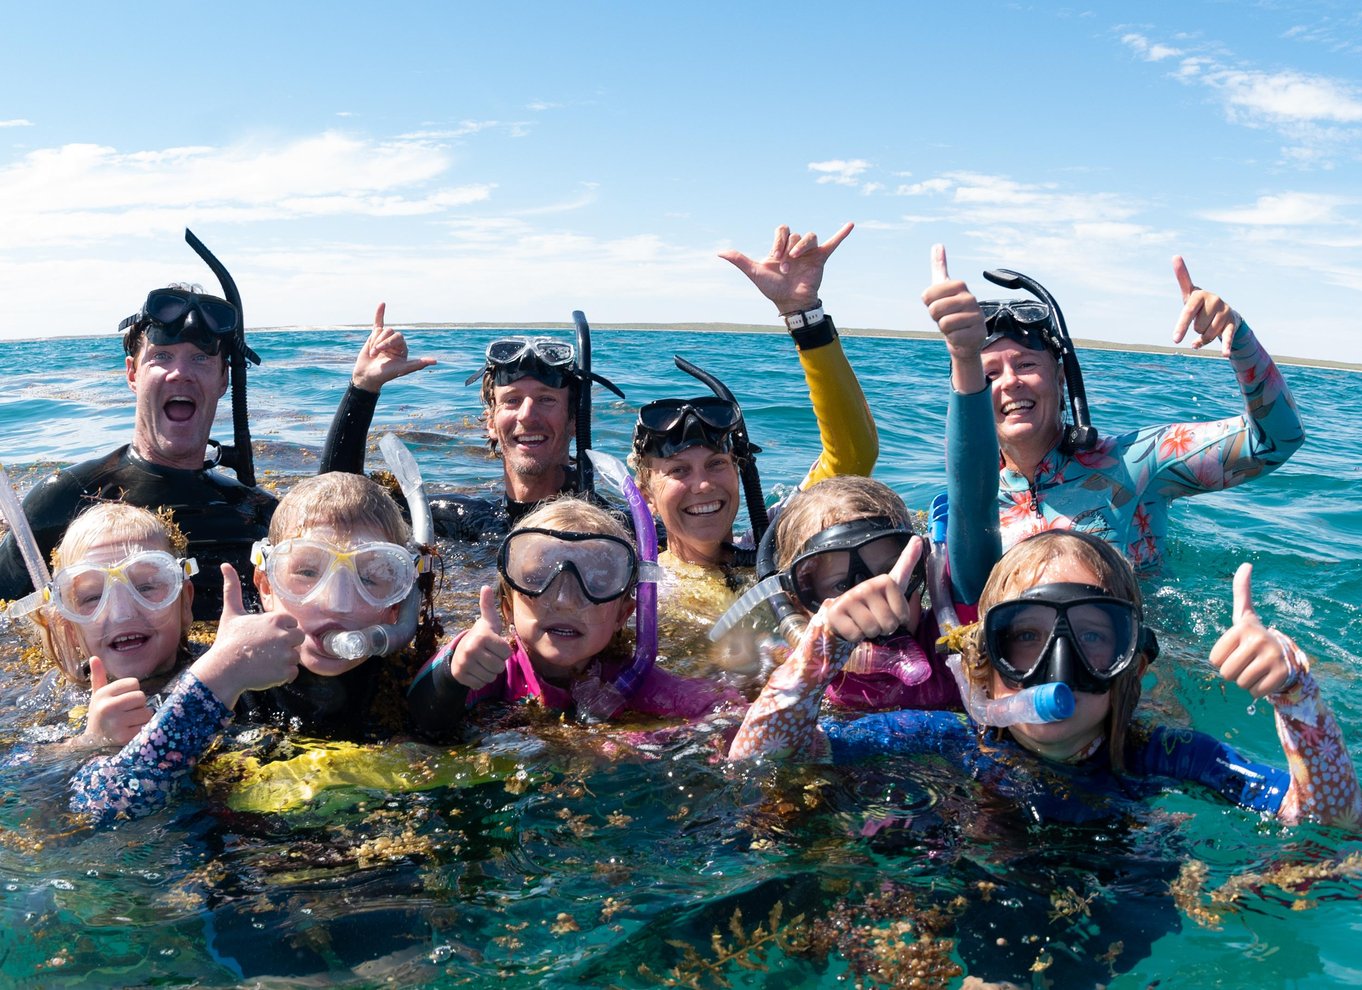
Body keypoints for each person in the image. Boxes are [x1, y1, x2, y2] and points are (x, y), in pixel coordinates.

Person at [921, 246, 1305, 572]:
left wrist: (1238, 336)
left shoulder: (1135, 464)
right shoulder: (973, 503)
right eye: (988, 374)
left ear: (1059, 380)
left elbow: (1275, 441)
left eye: (1026, 365)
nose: (1009, 382)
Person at [630, 224, 879, 669]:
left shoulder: (775, 547)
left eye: (717, 463)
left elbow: (852, 456)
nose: (703, 484)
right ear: (645, 492)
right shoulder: (638, 585)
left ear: (741, 470)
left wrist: (803, 312)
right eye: (678, 471)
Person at [0, 237, 276, 618]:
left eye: (200, 358)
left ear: (223, 379)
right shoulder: (66, 499)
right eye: (162, 357)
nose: (180, 372)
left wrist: (362, 389)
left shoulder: (256, 511)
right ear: (132, 374)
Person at [4, 502, 302, 824]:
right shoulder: (59, 693)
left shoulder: (233, 672)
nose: (122, 613)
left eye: (147, 587)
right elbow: (24, 782)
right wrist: (87, 743)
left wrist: (226, 670)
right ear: (69, 626)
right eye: (92, 598)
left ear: (185, 602)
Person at [406, 496, 745, 741]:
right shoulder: (492, 664)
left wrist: (639, 742)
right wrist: (455, 672)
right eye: (538, 578)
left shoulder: (629, 678)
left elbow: (727, 709)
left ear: (622, 615)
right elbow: (422, 719)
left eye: (596, 582)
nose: (565, 600)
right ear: (507, 607)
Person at [320, 304, 617, 541]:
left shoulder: (617, 530)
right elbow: (337, 505)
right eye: (511, 400)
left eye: (547, 400)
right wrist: (362, 388)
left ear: (575, 421)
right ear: (490, 422)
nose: (527, 415)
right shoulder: (463, 521)